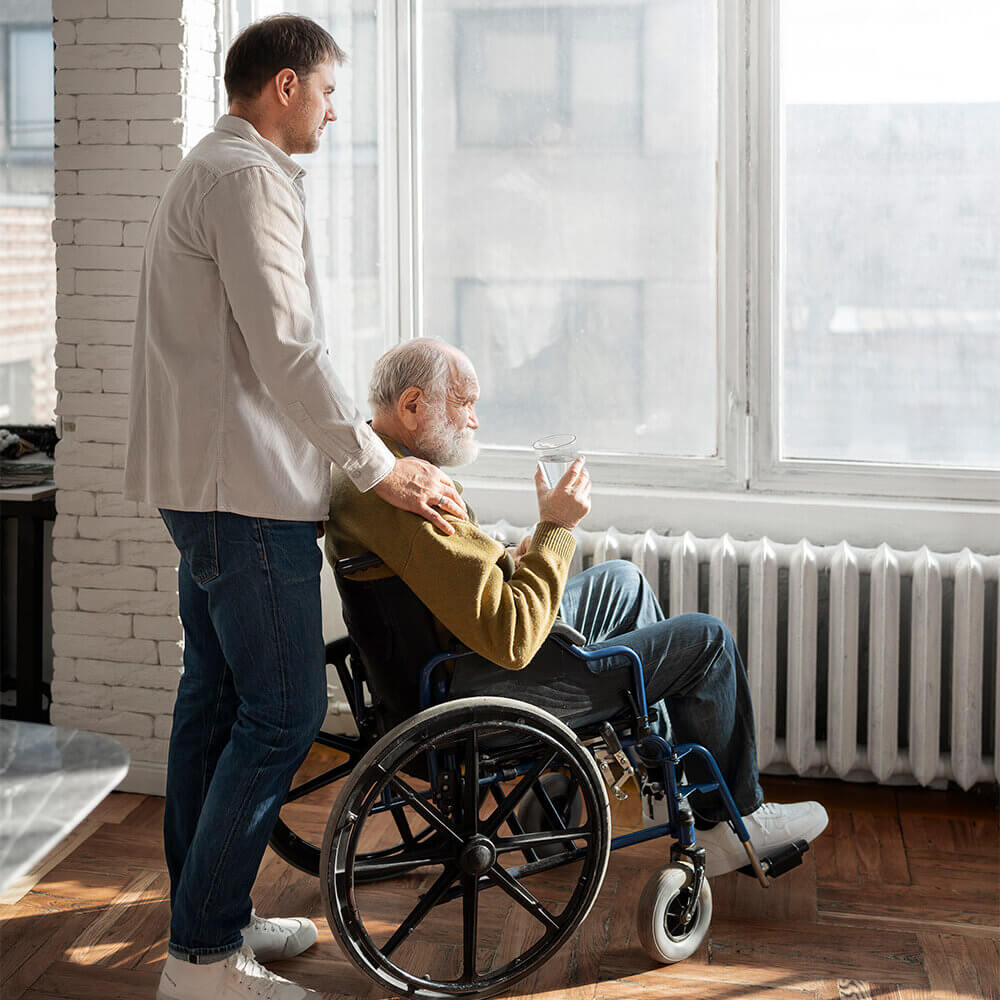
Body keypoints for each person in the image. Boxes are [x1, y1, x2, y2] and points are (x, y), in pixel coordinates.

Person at [124, 16, 468, 1000]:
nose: (331, 108)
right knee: (281, 713)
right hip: (241, 497)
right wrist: (376, 464)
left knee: (217, 701)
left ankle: (208, 923)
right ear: (283, 85)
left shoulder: (212, 168)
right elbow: (286, 347)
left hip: (202, 489)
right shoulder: (245, 179)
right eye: (326, 90)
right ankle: (199, 964)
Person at [325, 338, 829, 880]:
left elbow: (451, 580)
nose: (474, 420)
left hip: (447, 661)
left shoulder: (378, 472)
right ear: (413, 405)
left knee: (623, 581)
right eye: (465, 402)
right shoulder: (409, 499)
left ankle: (634, 786)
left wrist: (512, 555)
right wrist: (557, 528)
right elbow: (513, 635)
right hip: (479, 687)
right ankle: (732, 821)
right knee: (705, 641)